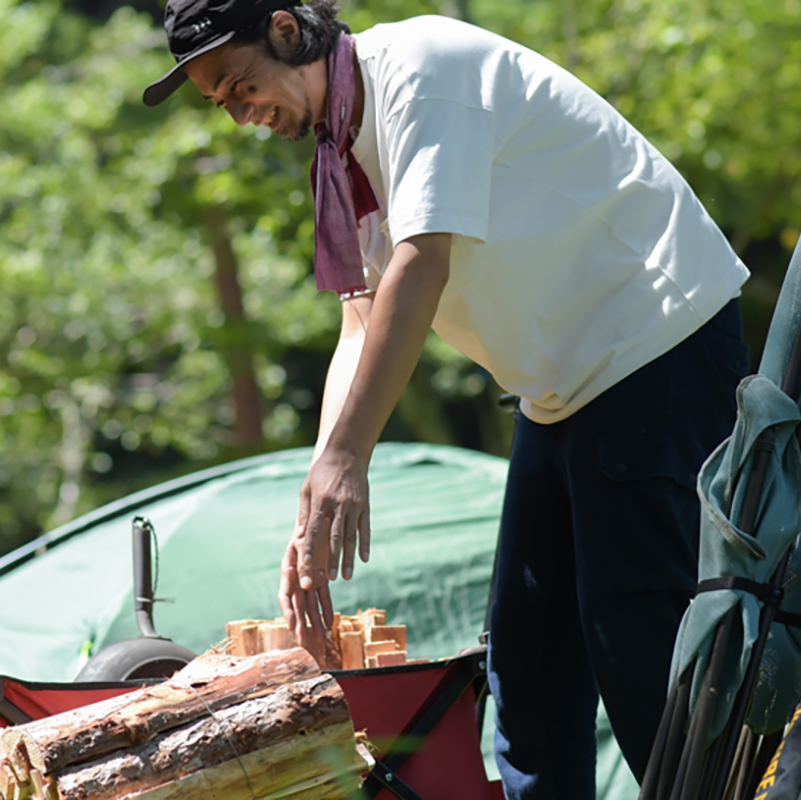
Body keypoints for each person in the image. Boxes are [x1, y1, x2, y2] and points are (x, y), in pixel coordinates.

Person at [143, 2, 751, 797]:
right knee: (526, 666)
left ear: (288, 31)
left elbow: (422, 263)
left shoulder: (422, 72)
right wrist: (316, 495)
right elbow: (358, 324)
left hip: (651, 343)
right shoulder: (341, 149)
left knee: (638, 647)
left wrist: (351, 459)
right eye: (220, 102)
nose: (239, 114)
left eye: (239, 84)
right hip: (560, 387)